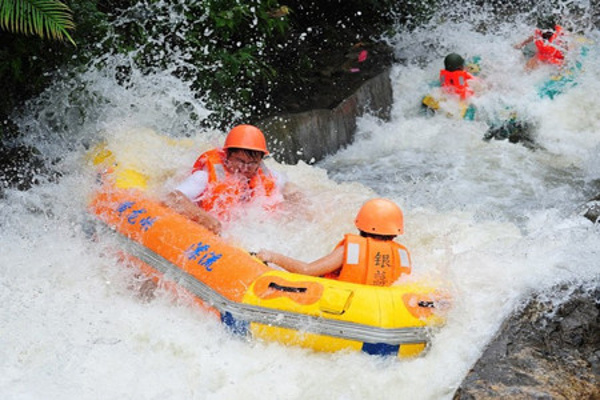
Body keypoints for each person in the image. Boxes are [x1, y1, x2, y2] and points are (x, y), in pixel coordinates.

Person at [166, 124, 301, 235]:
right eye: (240, 160)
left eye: (252, 162)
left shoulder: (266, 176)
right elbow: (172, 198)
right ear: (227, 156)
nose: (245, 168)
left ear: (260, 161)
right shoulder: (204, 177)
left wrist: (294, 207)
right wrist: (203, 217)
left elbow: (291, 189)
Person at [257, 198, 412, 287]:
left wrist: (272, 257)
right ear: (395, 232)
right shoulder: (401, 255)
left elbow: (306, 270)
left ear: (360, 225)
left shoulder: (349, 251)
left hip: (343, 310)